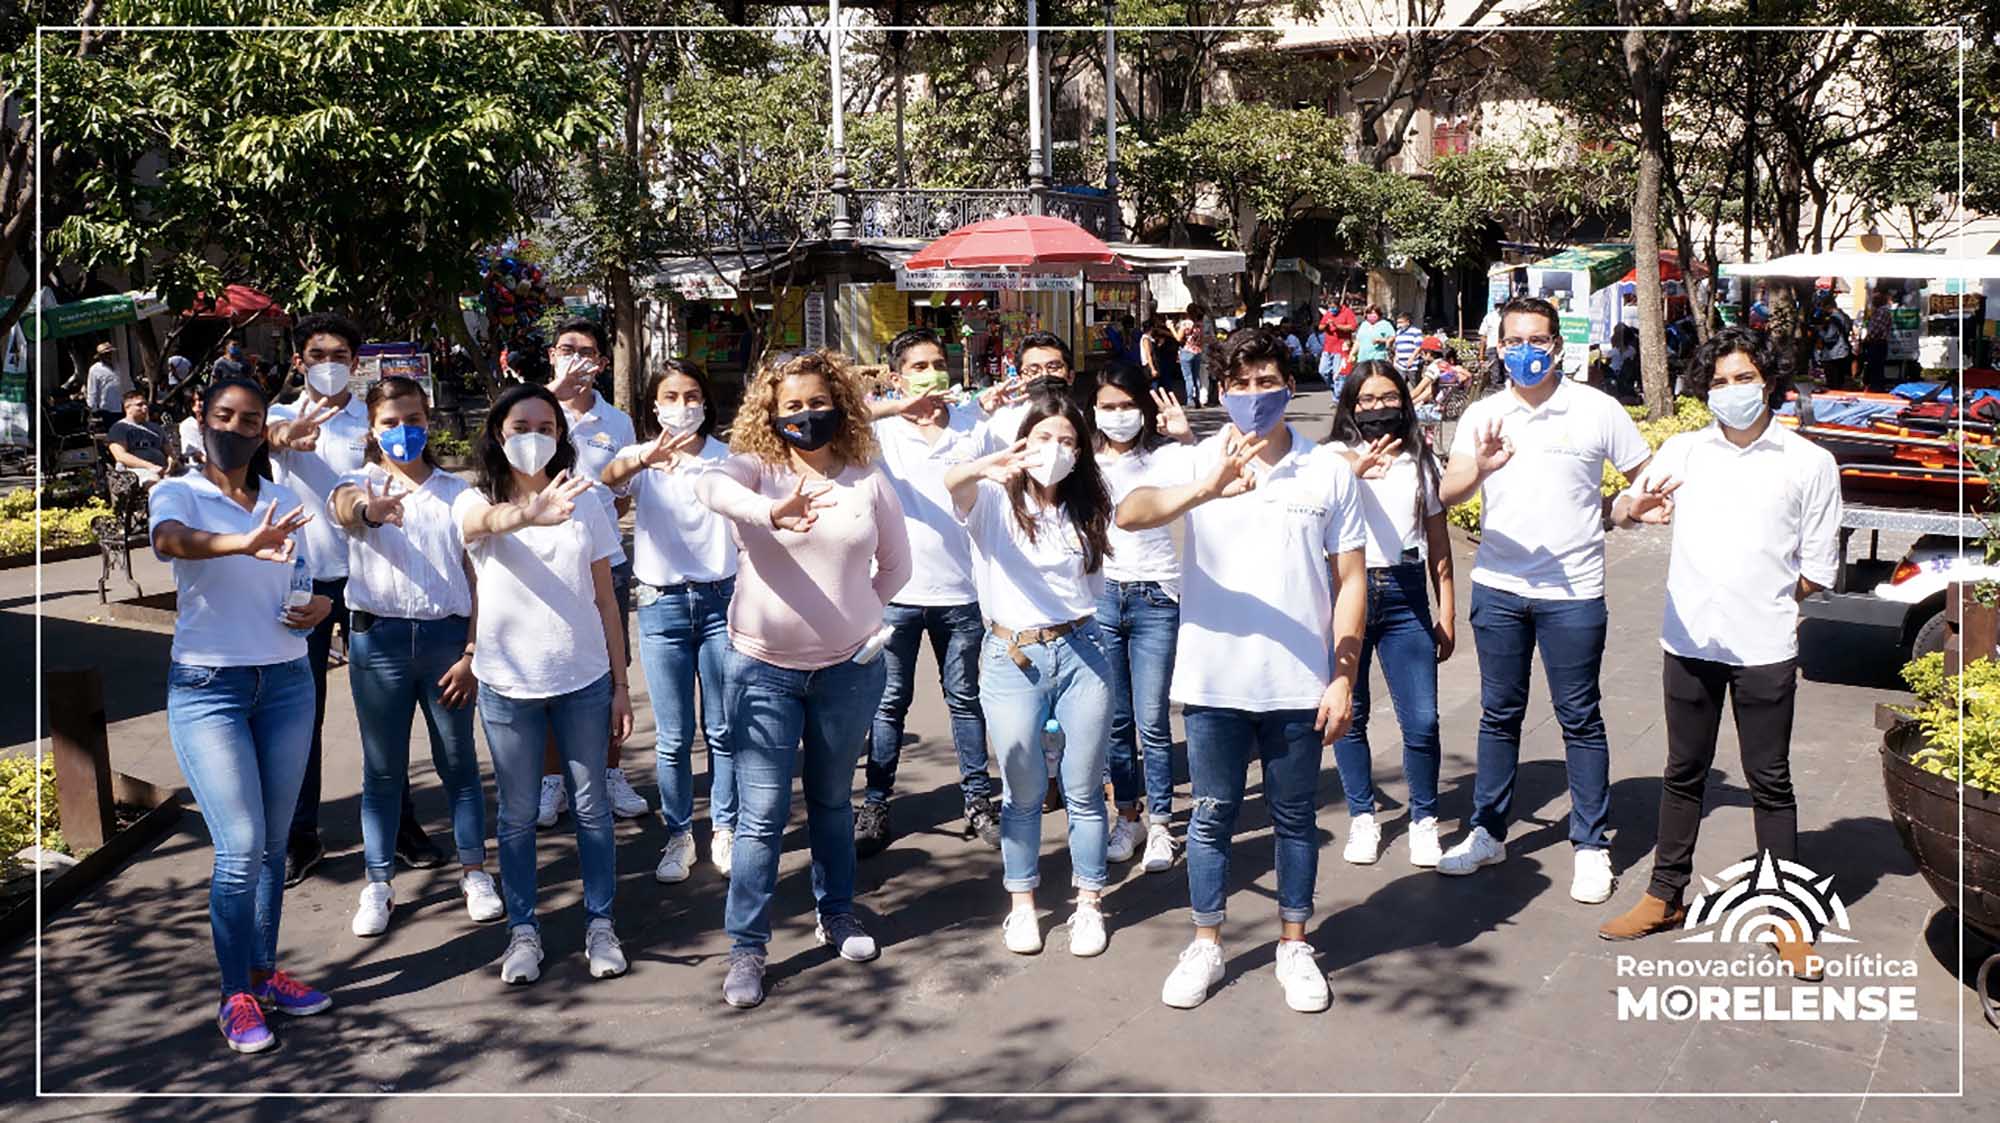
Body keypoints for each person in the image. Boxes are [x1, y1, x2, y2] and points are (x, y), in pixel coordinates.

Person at [1116, 327, 1368, 1013]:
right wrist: (1205, 489)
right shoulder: (1195, 457)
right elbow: (1131, 511)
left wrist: (1343, 673)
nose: (1254, 396)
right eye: (1240, 384)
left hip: (1298, 682)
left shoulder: (1328, 469)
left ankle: (1294, 943)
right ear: (1220, 390)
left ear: (1290, 383)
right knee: (1212, 816)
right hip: (1212, 680)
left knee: (1293, 817)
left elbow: (1350, 578)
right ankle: (1206, 941)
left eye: (1267, 382)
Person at [1597, 327, 1840, 980]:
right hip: (1689, 640)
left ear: (1770, 381)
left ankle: (1789, 917)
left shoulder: (1807, 462)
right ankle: (1664, 895)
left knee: (1770, 780)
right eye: (1719, 381)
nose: (1732, 391)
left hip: (1764, 645)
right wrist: (1628, 507)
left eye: (1744, 377)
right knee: (1684, 771)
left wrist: (1759, 594)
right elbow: (1625, 508)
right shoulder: (1683, 450)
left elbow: (1818, 566)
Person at [692, 350, 912, 1009]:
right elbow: (709, 486)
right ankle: (747, 949)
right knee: (759, 817)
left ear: (840, 403)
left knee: (832, 802)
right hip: (763, 670)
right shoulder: (753, 470)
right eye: (792, 406)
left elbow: (896, 567)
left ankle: (837, 912)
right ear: (772, 411)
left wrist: (853, 615)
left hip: (847, 668)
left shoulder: (866, 476)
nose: (806, 414)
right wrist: (769, 512)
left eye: (817, 402)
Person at [1434, 295, 1652, 904]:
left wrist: (1629, 509)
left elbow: (1643, 482)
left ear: (1558, 345)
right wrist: (1478, 469)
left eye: (1537, 341)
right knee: (1498, 714)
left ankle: (1590, 843)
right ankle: (1488, 831)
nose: (1525, 352)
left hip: (1573, 593)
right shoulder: (1483, 414)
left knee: (1578, 717)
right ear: (1497, 346)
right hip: (1500, 588)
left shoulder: (1596, 409)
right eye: (1513, 341)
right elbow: (1447, 494)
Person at [149, 375, 334, 1053]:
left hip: (286, 681)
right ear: (202, 418)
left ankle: (262, 969)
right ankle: (235, 996)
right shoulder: (178, 492)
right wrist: (241, 543)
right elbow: (171, 541)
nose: (235, 427)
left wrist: (320, 607)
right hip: (209, 689)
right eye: (223, 415)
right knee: (239, 846)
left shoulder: (283, 498)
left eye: (250, 420)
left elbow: (303, 580)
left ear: (264, 430)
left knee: (272, 845)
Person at [454, 383, 633, 985]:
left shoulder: (587, 501)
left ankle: (601, 925)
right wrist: (527, 514)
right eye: (519, 426)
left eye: (547, 427)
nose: (534, 437)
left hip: (583, 679)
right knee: (517, 816)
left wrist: (620, 684)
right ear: (497, 434)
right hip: (507, 686)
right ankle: (523, 933)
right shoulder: (472, 500)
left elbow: (607, 599)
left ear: (561, 436)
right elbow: (483, 524)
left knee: (592, 811)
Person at [266, 311, 443, 883]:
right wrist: (284, 436)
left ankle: (398, 824)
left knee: (384, 713)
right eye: (317, 355)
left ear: (356, 362)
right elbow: (263, 439)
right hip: (301, 581)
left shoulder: (371, 426)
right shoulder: (279, 416)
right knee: (301, 713)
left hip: (371, 580)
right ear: (299, 361)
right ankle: (301, 833)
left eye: (340, 355)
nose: (328, 365)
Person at [944, 390, 1116, 957]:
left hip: (1082, 649)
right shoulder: (994, 500)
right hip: (1012, 657)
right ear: (1023, 440)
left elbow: (1090, 584)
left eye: (1068, 440)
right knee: (1022, 792)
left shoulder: (1087, 502)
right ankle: (1023, 902)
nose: (1056, 450)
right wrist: (985, 466)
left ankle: (1089, 902)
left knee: (1085, 789)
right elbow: (953, 486)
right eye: (1044, 437)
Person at [329, 377, 502, 937]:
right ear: (372, 430)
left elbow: (480, 575)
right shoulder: (355, 483)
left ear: (429, 421)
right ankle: (377, 883)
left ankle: (474, 871)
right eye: (390, 422)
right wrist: (371, 511)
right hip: (376, 643)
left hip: (446, 643)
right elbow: (347, 510)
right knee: (382, 768)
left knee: (458, 762)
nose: (403, 431)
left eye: (413, 419)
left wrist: (473, 650)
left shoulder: (458, 491)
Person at [852, 328, 1003, 856]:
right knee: (889, 703)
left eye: (938, 363)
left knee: (964, 700)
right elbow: (844, 417)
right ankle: (875, 803)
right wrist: (896, 408)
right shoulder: (882, 435)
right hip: (895, 594)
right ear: (897, 377)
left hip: (961, 594)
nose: (932, 373)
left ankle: (978, 800)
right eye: (918, 366)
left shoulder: (971, 426)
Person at [600, 361, 743, 882]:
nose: (682, 406)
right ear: (653, 404)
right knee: (673, 736)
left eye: (691, 395)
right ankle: (680, 834)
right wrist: (642, 457)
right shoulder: (641, 460)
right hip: (660, 608)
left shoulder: (728, 460)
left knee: (724, 730)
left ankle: (725, 828)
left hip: (720, 604)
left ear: (706, 401)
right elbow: (606, 479)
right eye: (670, 396)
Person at [1324, 361, 1455, 867]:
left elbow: (1438, 541)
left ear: (1405, 400)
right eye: (1367, 401)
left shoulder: (1422, 460)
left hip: (1404, 595)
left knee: (1421, 720)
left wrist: (1446, 609)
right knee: (1348, 715)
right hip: (1345, 593)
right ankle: (1362, 814)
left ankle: (1423, 818)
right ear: (1351, 406)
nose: (1379, 409)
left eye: (1388, 398)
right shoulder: (1331, 458)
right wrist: (1350, 473)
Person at [534, 318, 650, 825]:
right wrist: (550, 395)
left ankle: (609, 773)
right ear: (552, 355)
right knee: (549, 670)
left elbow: (620, 498)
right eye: (566, 349)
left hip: (606, 566)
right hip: (543, 565)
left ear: (602, 363)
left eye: (587, 352)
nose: (576, 358)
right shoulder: (532, 409)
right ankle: (552, 780)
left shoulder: (617, 422)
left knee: (608, 669)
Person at [1092, 363, 1196, 873]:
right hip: (1101, 595)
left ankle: (1160, 824)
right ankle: (1126, 815)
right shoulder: (1080, 460)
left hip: (1156, 592)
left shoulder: (1168, 456)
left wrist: (1188, 436)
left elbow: (1208, 493)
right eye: (1108, 407)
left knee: (1152, 720)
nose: (1118, 416)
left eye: (1127, 406)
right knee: (1116, 721)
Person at [107, 388, 172, 483]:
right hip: (134, 471)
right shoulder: (119, 428)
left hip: (163, 469)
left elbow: (169, 452)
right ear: (127, 407)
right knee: (154, 480)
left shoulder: (156, 428)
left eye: (146, 404)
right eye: (140, 405)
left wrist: (171, 464)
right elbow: (120, 456)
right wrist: (150, 466)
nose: (145, 407)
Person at [82, 341, 131, 429]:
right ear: (100, 356)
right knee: (114, 432)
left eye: (110, 353)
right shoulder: (95, 369)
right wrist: (93, 409)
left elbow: (126, 382)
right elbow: (92, 390)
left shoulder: (118, 366)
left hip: (122, 405)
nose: (109, 356)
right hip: (108, 408)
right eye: (106, 354)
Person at [1813, 292, 1855, 390]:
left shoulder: (1834, 319)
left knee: (1833, 384)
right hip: (1843, 352)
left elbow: (1829, 337)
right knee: (1840, 382)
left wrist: (1819, 330)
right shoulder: (1845, 316)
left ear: (1827, 306)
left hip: (1833, 354)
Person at [1176, 302, 1209, 406]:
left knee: (1188, 377)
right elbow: (1202, 339)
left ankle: (1190, 399)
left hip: (1186, 351)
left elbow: (1178, 338)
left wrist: (1171, 328)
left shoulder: (1186, 324)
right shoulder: (1200, 324)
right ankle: (1197, 398)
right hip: (1197, 351)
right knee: (1196, 377)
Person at [1142, 316, 1181, 402]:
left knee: (1161, 381)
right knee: (1155, 384)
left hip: (1160, 362)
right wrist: (1152, 368)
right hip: (1152, 365)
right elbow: (1148, 354)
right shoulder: (1146, 339)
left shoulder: (1151, 338)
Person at [1861, 290, 1893, 393]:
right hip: (1878, 342)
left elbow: (1876, 328)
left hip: (1877, 342)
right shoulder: (1880, 310)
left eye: (1874, 299)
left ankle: (1876, 387)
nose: (1873, 301)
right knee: (1875, 366)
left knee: (1876, 366)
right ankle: (1875, 386)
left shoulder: (1882, 311)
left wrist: (1867, 338)